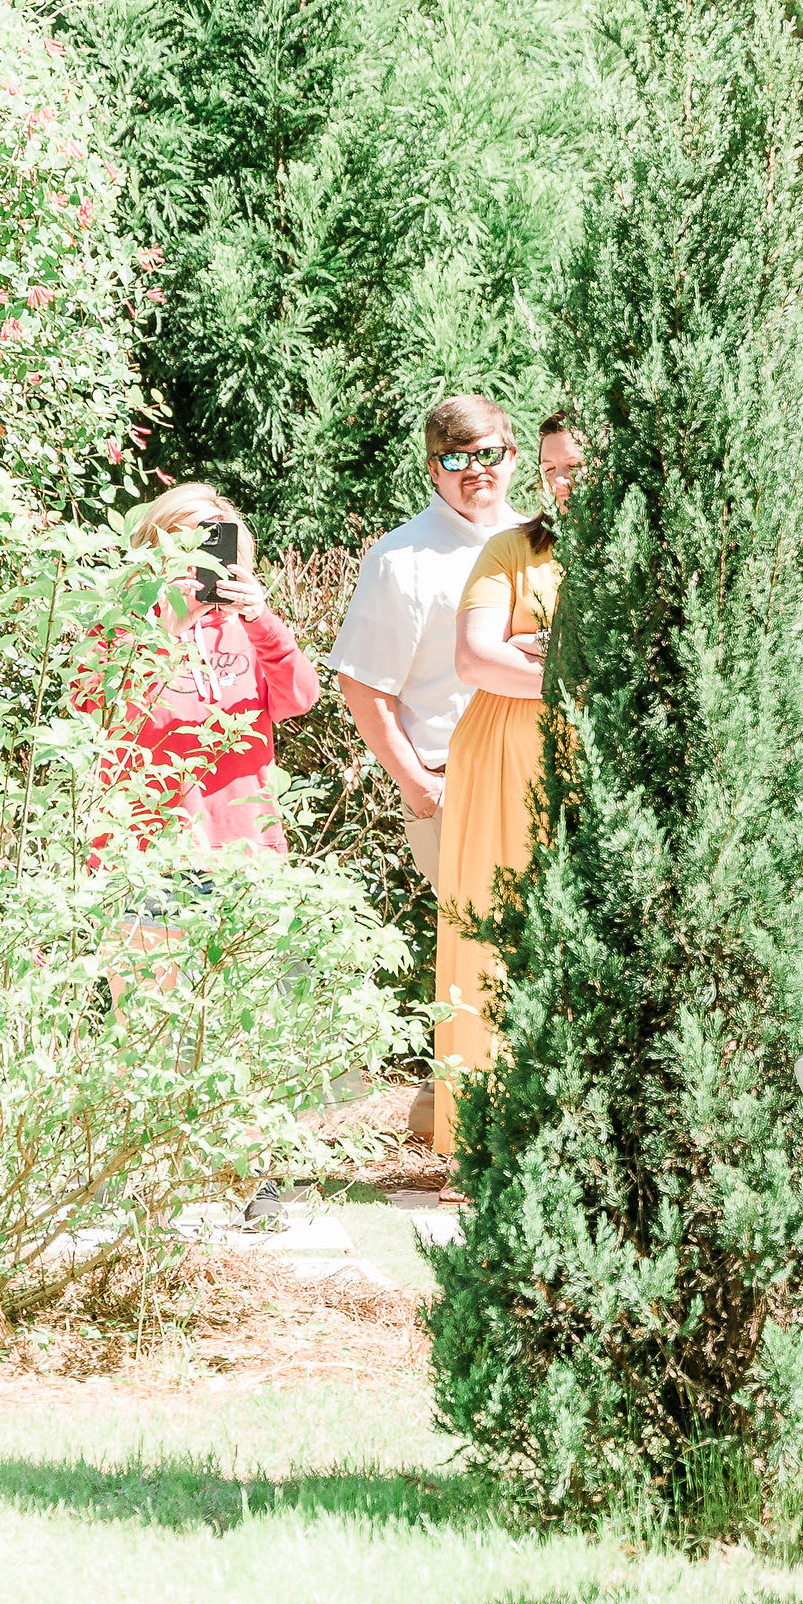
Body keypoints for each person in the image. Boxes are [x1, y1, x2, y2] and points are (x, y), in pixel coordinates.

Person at [428, 413, 589, 1159]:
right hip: (501, 765)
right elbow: (475, 660)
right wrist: (576, 673)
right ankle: (483, 1146)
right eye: (553, 470)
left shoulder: (651, 552)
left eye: (577, 466)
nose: (563, 482)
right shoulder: (512, 549)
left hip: (598, 767)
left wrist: (539, 650)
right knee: (492, 937)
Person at [330, 395, 524, 891]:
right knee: (477, 933)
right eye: (456, 459)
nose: (475, 470)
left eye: (488, 454)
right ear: (434, 470)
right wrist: (418, 785)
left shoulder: (539, 541)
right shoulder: (401, 559)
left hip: (536, 773)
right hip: (454, 785)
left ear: (513, 455)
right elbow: (362, 684)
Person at [120, 482, 319, 854]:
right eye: (181, 547)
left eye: (208, 549)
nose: (194, 565)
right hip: (143, 857)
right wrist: (160, 636)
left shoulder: (250, 631)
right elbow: (101, 720)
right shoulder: (120, 630)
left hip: (246, 854)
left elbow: (300, 699)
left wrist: (260, 619)